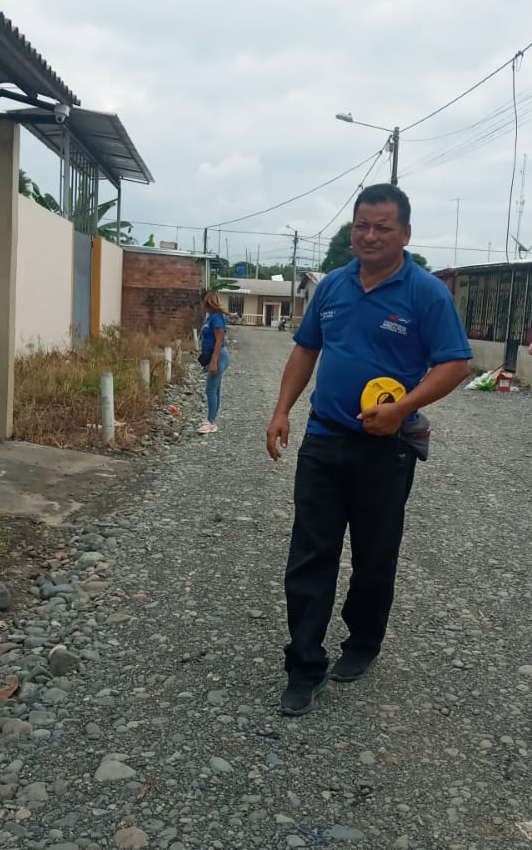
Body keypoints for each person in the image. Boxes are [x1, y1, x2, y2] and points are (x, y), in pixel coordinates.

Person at [266, 183, 472, 716]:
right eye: (363, 225)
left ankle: (362, 642)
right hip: (324, 439)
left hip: (387, 449)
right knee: (310, 554)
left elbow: (455, 363)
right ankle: (304, 665)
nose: (371, 235)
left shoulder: (426, 293)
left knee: (374, 556)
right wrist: (282, 410)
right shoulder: (332, 286)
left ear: (405, 233)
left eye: (383, 227)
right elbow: (306, 350)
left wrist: (402, 408)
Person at [198, 291, 231, 434]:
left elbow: (219, 341)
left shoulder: (216, 318)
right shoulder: (211, 317)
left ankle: (211, 422)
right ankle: (211, 420)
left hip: (218, 355)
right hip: (214, 355)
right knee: (215, 389)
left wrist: (214, 362)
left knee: (210, 389)